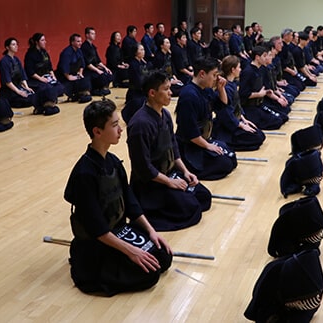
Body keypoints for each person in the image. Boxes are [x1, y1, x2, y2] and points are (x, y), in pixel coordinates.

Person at [64, 99, 172, 296]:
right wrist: (132, 251)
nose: (121, 129)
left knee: (163, 257)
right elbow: (98, 229)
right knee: (151, 274)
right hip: (97, 244)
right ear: (97, 132)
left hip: (118, 231)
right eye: (114, 125)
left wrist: (151, 231)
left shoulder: (113, 161)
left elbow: (131, 203)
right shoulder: (84, 174)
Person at [127, 71, 211, 231]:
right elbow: (143, 167)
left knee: (203, 197)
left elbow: (173, 147)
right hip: (151, 185)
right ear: (152, 93)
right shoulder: (140, 124)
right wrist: (170, 182)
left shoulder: (164, 114)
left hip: (169, 173)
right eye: (166, 89)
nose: (170, 93)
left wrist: (185, 172)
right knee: (192, 208)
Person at [175, 57, 237, 180]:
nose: (216, 79)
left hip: (204, 139)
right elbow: (190, 133)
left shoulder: (205, 90)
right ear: (202, 74)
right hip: (190, 146)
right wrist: (208, 146)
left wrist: (221, 88)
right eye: (214, 75)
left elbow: (222, 105)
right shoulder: (189, 96)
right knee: (225, 164)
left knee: (231, 156)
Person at [212, 55, 265, 151]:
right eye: (239, 67)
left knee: (260, 135)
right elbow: (226, 112)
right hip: (227, 124)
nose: (240, 70)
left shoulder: (232, 84)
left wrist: (244, 119)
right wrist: (240, 125)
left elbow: (237, 106)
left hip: (236, 120)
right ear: (233, 70)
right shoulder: (226, 88)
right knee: (256, 138)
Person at [0, 37, 59, 116]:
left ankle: (46, 104)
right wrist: (19, 91)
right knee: (28, 100)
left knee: (33, 94)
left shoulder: (16, 59)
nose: (16, 46)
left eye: (16, 44)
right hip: (9, 91)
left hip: (19, 87)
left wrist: (26, 88)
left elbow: (23, 76)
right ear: (7, 47)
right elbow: (8, 81)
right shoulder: (4, 62)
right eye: (13, 45)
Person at [238, 46, 288, 130]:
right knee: (277, 122)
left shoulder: (260, 69)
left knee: (283, 117)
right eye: (264, 56)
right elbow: (243, 94)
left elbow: (264, 86)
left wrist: (268, 92)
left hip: (259, 104)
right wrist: (259, 94)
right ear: (257, 57)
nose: (266, 58)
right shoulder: (248, 71)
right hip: (250, 107)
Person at [23, 33, 65, 106]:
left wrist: (53, 76)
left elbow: (50, 67)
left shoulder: (44, 52)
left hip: (46, 77)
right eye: (42, 40)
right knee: (47, 88)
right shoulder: (30, 55)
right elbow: (30, 72)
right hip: (35, 79)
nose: (45, 42)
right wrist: (40, 79)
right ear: (37, 42)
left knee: (61, 88)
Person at [56, 33, 92, 103]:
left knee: (86, 79)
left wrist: (80, 73)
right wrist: (69, 77)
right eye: (78, 41)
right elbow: (64, 68)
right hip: (64, 77)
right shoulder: (66, 53)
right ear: (72, 42)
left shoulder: (79, 51)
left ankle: (83, 94)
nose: (80, 43)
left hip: (75, 74)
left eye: (81, 41)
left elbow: (82, 64)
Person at [121, 43, 152, 124]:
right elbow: (138, 81)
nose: (143, 51)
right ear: (136, 52)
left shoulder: (141, 63)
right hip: (135, 92)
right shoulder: (133, 64)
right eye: (141, 50)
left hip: (142, 89)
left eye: (144, 49)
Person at [81, 27, 113, 96]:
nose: (94, 35)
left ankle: (102, 88)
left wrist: (105, 68)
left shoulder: (93, 47)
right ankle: (95, 89)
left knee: (109, 74)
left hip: (95, 68)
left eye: (94, 33)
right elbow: (88, 64)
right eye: (92, 33)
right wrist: (97, 70)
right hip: (88, 70)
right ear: (87, 35)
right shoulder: (84, 47)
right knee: (101, 76)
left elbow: (98, 61)